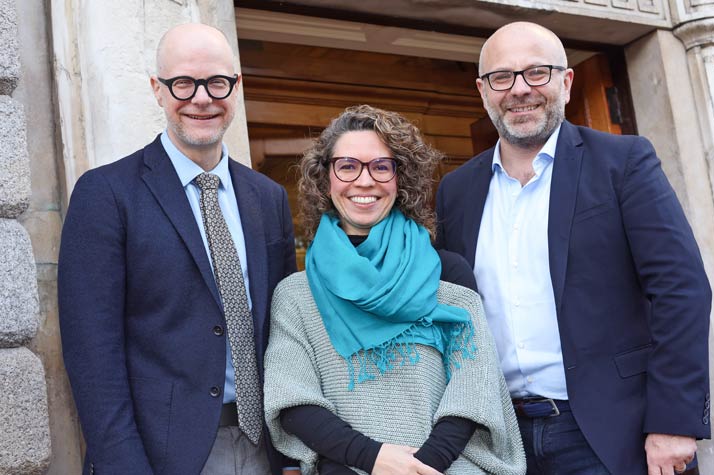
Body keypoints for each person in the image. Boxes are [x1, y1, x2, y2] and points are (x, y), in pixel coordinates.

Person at [435, 21, 712, 475]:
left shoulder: (623, 163)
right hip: (501, 439)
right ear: (483, 91)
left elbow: (682, 291)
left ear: (566, 82)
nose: (520, 89)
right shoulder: (456, 190)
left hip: (613, 433)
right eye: (502, 77)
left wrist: (674, 422)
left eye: (537, 72)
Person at [58, 23, 297, 475]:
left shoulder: (268, 199)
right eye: (183, 83)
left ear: (236, 87)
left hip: (264, 447)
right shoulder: (105, 194)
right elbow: (92, 355)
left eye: (217, 82)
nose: (202, 98)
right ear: (158, 89)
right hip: (160, 455)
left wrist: (289, 453)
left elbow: (283, 337)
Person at [262, 105, 526, 475]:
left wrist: (420, 467)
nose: (365, 181)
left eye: (381, 166)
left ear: (402, 178)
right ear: (326, 179)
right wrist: (372, 459)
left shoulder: (447, 274)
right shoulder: (295, 294)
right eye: (348, 166)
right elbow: (293, 400)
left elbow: (473, 386)